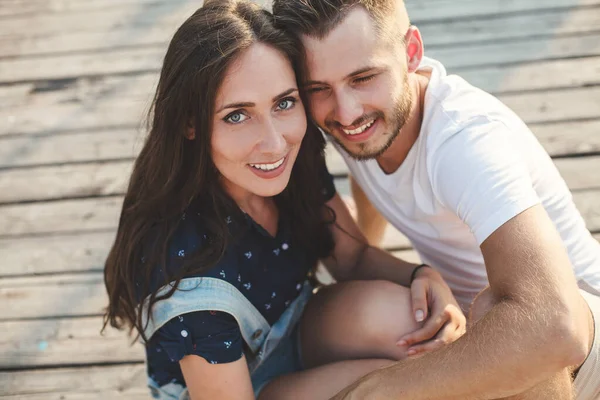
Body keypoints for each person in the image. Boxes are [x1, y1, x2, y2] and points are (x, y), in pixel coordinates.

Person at [101, 1, 466, 399]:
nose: (274, 142)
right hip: (241, 390)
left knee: (417, 331)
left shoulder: (292, 156)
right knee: (392, 387)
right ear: (190, 122)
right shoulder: (188, 278)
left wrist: (420, 276)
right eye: (237, 115)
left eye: (284, 103)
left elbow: (351, 256)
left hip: (298, 330)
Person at [271, 0, 600, 399]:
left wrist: (376, 391)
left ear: (411, 52)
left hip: (577, 348)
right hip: (472, 326)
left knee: (496, 307)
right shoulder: (363, 121)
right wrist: (396, 266)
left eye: (363, 78)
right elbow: (372, 193)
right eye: (318, 88)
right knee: (297, 373)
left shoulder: (465, 142)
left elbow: (556, 326)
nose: (345, 111)